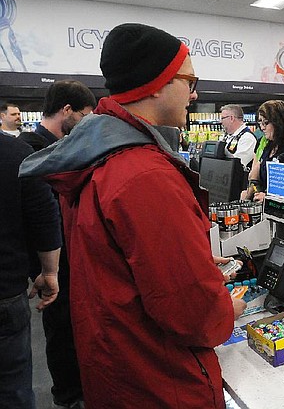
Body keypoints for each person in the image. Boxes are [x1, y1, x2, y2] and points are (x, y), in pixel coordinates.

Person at [19, 23, 245, 409]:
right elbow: (193, 313)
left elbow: (120, 263)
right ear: (156, 83)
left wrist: (193, 262)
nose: (195, 93)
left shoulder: (98, 158)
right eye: (189, 79)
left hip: (117, 366)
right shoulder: (146, 175)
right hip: (159, 379)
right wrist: (228, 308)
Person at [17, 79, 96, 409]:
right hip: (53, 265)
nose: (86, 124)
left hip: (66, 261)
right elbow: (40, 216)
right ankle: (69, 397)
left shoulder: (52, 147)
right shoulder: (33, 150)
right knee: (61, 332)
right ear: (67, 110)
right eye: (84, 115)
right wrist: (45, 268)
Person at [1, 133, 61, 409]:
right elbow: (44, 215)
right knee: (12, 389)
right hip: (5, 293)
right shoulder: (15, 152)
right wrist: (49, 272)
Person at [243, 100, 284, 202]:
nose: (262, 127)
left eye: (266, 123)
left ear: (279, 123)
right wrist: (254, 190)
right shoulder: (269, 146)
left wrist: (267, 197)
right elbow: (256, 184)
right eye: (260, 122)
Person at [220, 104, 257, 169]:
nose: (221, 121)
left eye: (223, 118)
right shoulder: (227, 136)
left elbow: (238, 165)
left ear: (231, 118)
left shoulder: (247, 138)